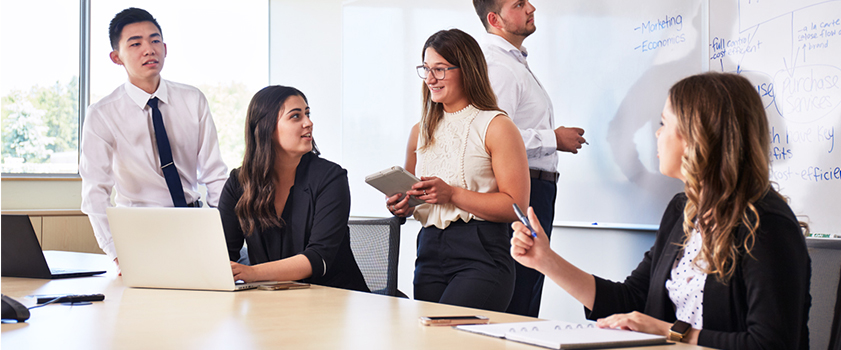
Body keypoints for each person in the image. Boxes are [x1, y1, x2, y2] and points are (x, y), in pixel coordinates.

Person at [511, 72, 810, 349]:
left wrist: (668, 331)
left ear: (698, 136)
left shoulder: (767, 224)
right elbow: (631, 299)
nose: (657, 134)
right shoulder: (684, 211)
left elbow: (771, 343)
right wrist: (545, 260)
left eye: (664, 123)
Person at [387, 29, 529, 312]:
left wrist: (451, 194)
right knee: (429, 339)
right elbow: (418, 195)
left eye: (439, 69)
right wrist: (403, 204)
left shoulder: (497, 126)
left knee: (450, 337)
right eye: (426, 69)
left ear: (468, 70)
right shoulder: (420, 131)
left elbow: (516, 206)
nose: (430, 79)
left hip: (481, 252)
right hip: (428, 248)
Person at [80, 8, 228, 267]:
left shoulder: (193, 100)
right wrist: (116, 252)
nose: (149, 49)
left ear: (165, 48)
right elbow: (95, 190)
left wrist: (224, 234)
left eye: (155, 40)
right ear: (117, 57)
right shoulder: (102, 114)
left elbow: (214, 174)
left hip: (194, 224)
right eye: (135, 43)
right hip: (139, 231)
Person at [472, 0, 587, 317]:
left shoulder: (514, 62)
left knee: (528, 290)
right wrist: (553, 139)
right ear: (495, 18)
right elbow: (492, 136)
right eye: (519, 4)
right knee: (519, 299)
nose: (531, 7)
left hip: (538, 188)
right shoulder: (499, 67)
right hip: (524, 189)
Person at [218, 85, 369, 292]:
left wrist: (252, 273)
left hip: (332, 300)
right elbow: (222, 252)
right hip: (269, 303)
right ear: (266, 128)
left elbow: (318, 258)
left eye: (307, 114)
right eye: (296, 116)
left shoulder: (331, 178)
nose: (309, 123)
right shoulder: (238, 182)